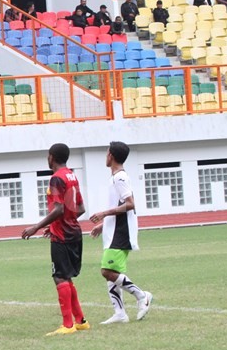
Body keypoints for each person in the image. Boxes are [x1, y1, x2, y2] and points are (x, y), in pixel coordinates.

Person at [21, 143, 89, 336]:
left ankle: (68, 325)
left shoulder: (56, 179)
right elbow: (80, 208)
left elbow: (58, 209)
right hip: (74, 232)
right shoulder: (72, 175)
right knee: (66, 276)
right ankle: (81, 320)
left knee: (59, 276)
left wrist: (36, 227)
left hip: (63, 235)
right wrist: (58, 223)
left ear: (51, 157)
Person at [89, 142, 153, 325]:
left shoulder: (120, 178)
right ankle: (120, 313)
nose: (105, 155)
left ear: (111, 156)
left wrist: (103, 214)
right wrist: (103, 225)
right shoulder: (115, 178)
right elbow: (119, 205)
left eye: (107, 152)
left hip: (122, 232)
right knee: (113, 271)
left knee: (107, 271)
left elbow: (130, 204)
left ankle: (142, 296)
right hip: (114, 230)